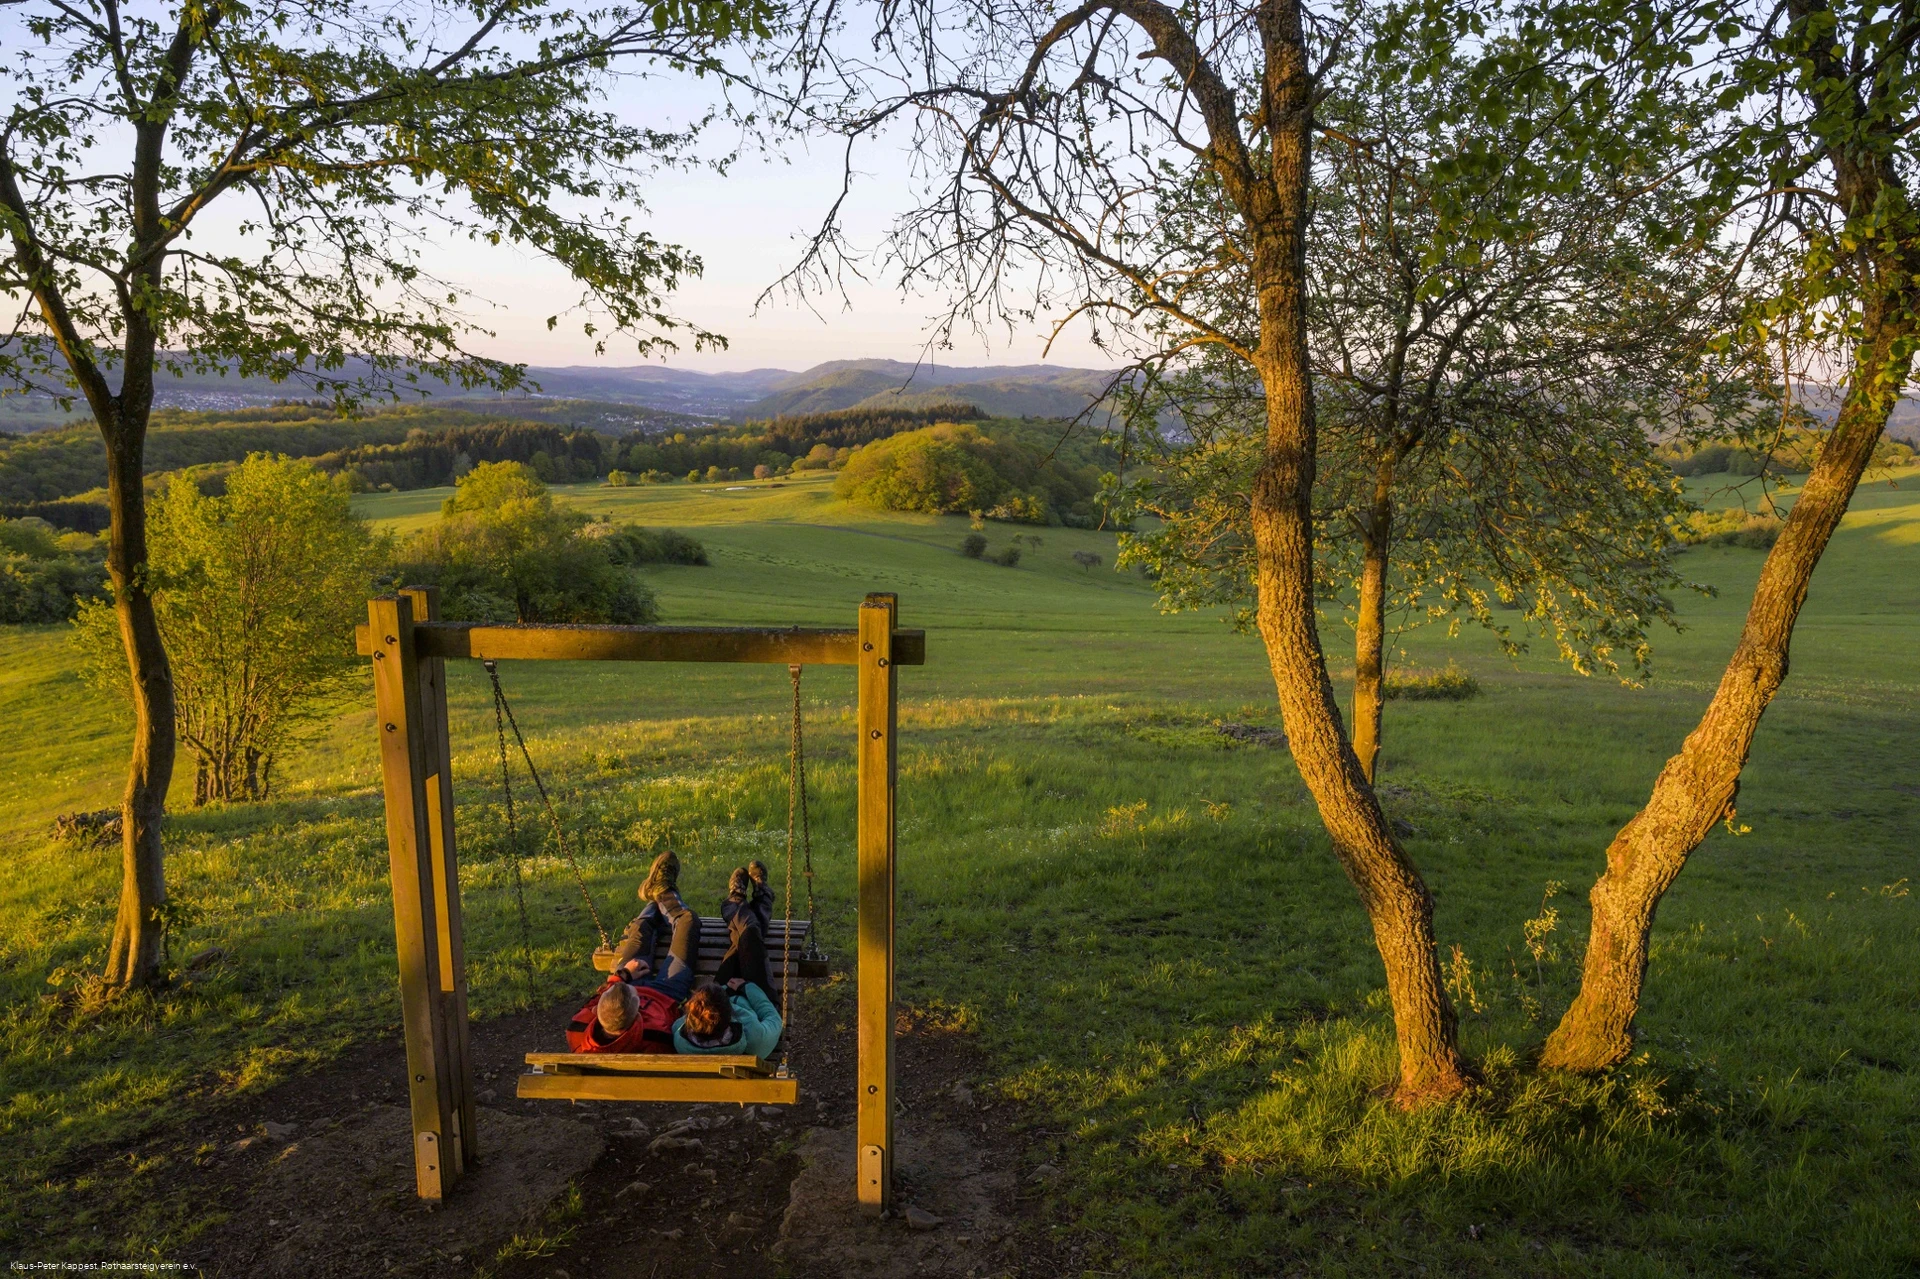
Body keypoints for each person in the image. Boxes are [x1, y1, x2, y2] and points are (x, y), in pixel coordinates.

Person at [565, 850, 699, 1053]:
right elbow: (680, 1023)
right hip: (667, 993)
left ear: (598, 1013)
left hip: (632, 978)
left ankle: (660, 892)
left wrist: (624, 976)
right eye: (634, 996)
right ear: (637, 1014)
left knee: (639, 930)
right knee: (687, 921)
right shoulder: (657, 1040)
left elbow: (593, 1000)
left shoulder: (578, 1030)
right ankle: (661, 892)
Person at [673, 862, 785, 1059]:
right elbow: (772, 1018)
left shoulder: (683, 1039)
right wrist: (745, 988)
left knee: (741, 940)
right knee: (748, 935)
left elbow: (678, 1023)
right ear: (732, 1013)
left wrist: (722, 991)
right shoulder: (756, 1041)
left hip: (720, 1002)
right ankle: (741, 902)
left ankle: (752, 899)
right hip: (757, 1000)